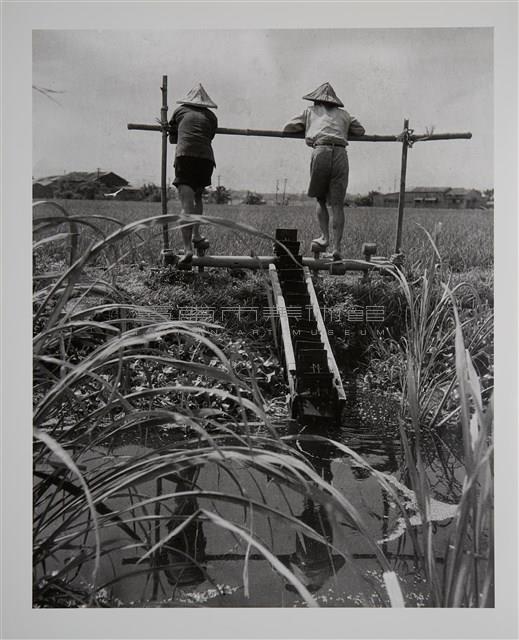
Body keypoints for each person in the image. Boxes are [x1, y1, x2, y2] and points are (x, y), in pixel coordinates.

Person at [283, 82, 365, 260]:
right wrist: (342, 129)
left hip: (321, 150)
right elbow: (360, 130)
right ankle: (337, 247)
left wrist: (308, 128)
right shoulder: (345, 115)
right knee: (337, 204)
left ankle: (324, 238)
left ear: (317, 101)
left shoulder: (310, 111)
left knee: (320, 199)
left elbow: (288, 127)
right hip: (341, 153)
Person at [168, 83, 218, 265]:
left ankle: (188, 249)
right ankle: (196, 235)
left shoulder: (179, 111)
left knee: (186, 203)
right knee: (198, 198)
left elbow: (173, 139)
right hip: (205, 158)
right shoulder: (212, 117)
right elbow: (209, 136)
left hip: (185, 156)